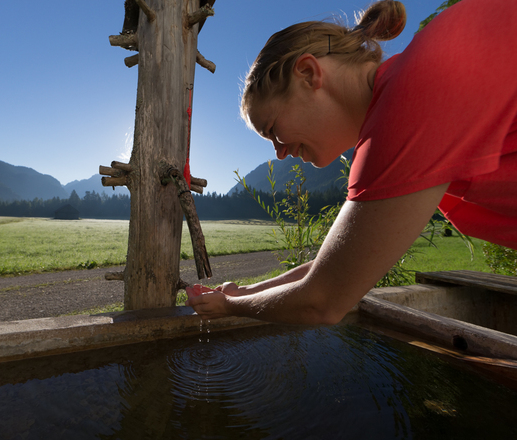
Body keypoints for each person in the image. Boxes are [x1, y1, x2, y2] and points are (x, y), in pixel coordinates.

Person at [186, 0, 517, 325]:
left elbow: (322, 301)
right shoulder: (412, 92)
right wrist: (244, 291)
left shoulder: (409, 105)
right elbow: (344, 265)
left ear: (308, 73)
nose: (279, 153)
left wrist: (229, 307)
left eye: (273, 130)